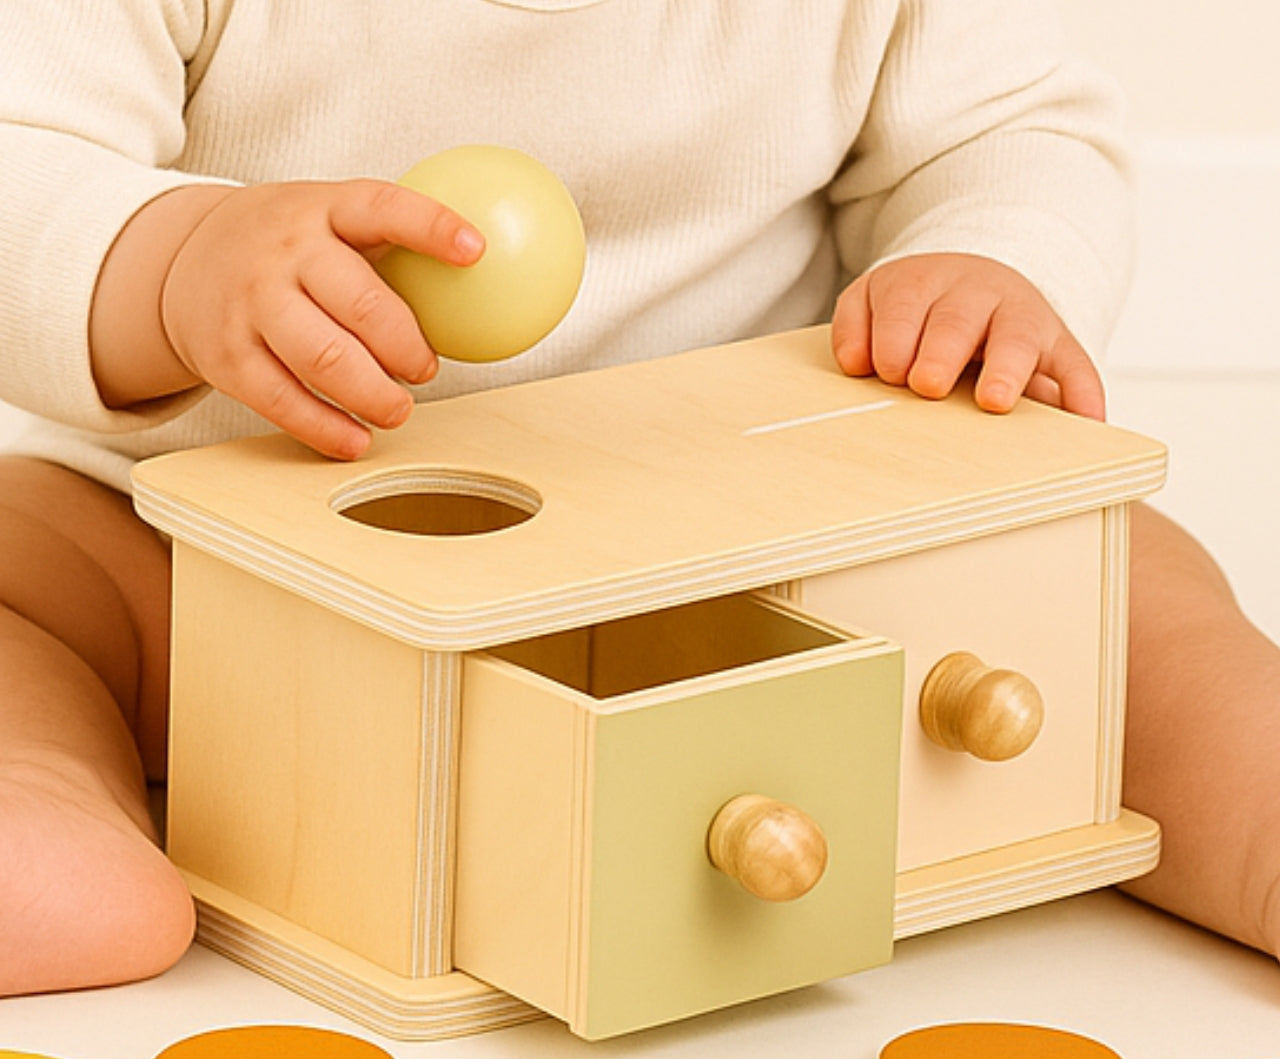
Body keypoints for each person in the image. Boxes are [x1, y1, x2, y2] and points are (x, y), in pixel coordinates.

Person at [0, 0, 1273, 996]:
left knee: (1109, 589)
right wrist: (166, 263)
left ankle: (1251, 792)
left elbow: (1015, 128)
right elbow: (24, 157)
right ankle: (33, 793)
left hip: (752, 544)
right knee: (30, 579)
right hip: (222, 547)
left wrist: (989, 260)